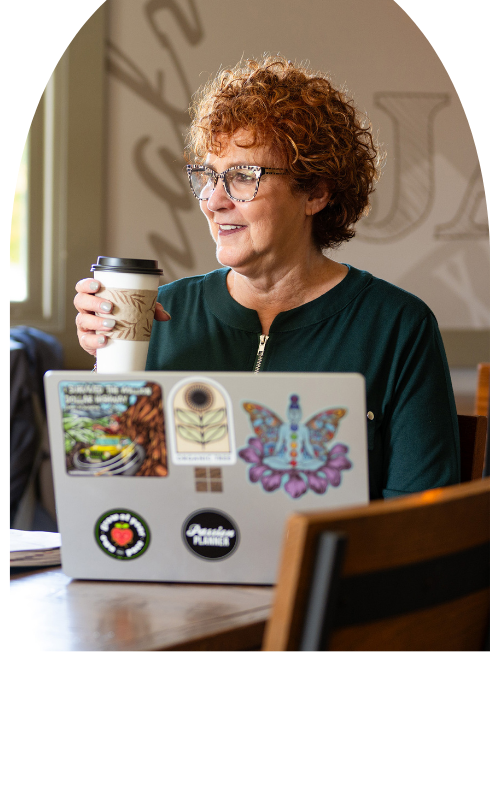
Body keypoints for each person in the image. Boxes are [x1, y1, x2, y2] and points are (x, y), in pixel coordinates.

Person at [74, 55, 460, 499]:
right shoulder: (160, 314)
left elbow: (420, 523)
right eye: (208, 176)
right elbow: (103, 494)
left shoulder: (397, 326)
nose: (213, 201)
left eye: (242, 177)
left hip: (332, 568)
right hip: (179, 567)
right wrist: (106, 373)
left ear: (315, 192)